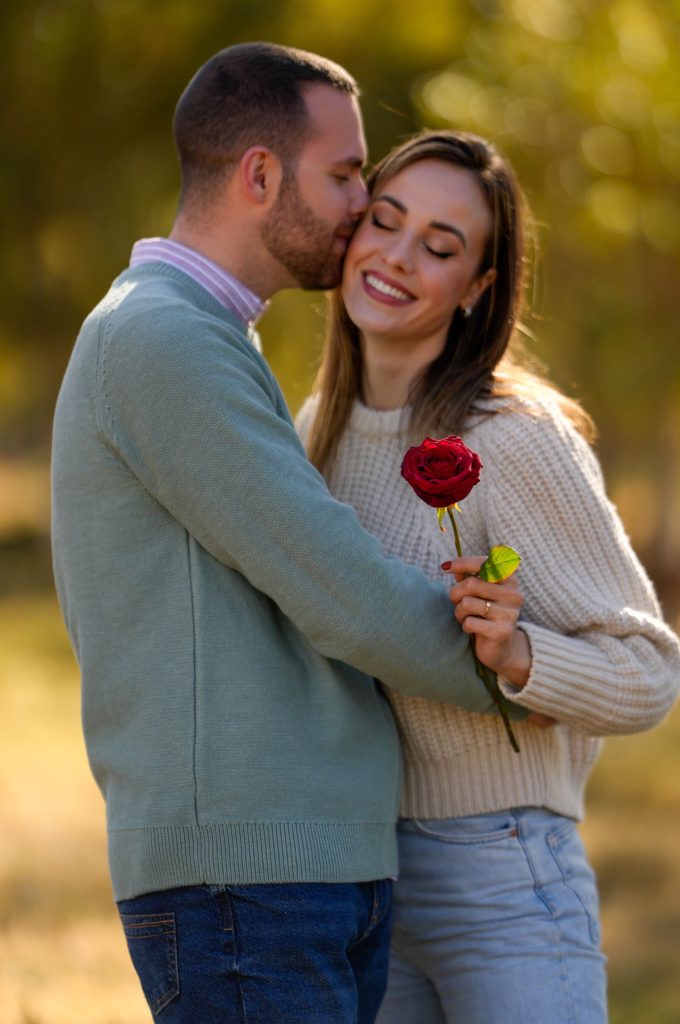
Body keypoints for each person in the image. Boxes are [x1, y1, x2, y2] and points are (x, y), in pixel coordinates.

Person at [50, 46, 529, 1024]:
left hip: (297, 870)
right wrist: (517, 665)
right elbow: (331, 579)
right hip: (244, 880)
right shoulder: (161, 337)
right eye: (345, 174)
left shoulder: (212, 335)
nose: (363, 204)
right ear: (260, 174)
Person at [297, 129, 680, 1024]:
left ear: (477, 289)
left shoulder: (514, 438)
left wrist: (521, 656)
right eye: (384, 223)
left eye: (439, 246)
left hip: (503, 876)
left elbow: (649, 672)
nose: (396, 257)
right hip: (362, 877)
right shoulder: (315, 430)